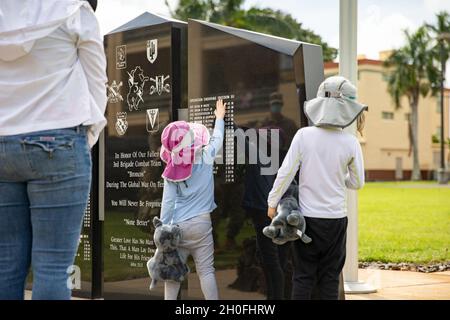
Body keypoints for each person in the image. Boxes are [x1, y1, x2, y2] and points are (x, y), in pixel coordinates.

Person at [0, 0, 107, 300]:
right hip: (58, 139)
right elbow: (97, 81)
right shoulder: (73, 9)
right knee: (53, 268)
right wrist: (86, 137)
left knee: (5, 267)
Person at [267, 76, 367, 300]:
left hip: (307, 222)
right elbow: (358, 182)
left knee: (303, 276)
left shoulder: (304, 135)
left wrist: (272, 203)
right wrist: (338, 178)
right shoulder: (351, 142)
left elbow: (285, 173)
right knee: (330, 277)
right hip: (336, 221)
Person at [159, 99, 226, 300]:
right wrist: (219, 118)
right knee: (206, 271)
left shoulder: (170, 171)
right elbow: (218, 139)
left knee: (172, 275)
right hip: (202, 225)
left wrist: (162, 230)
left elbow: (168, 203)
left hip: (177, 228)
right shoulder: (205, 156)